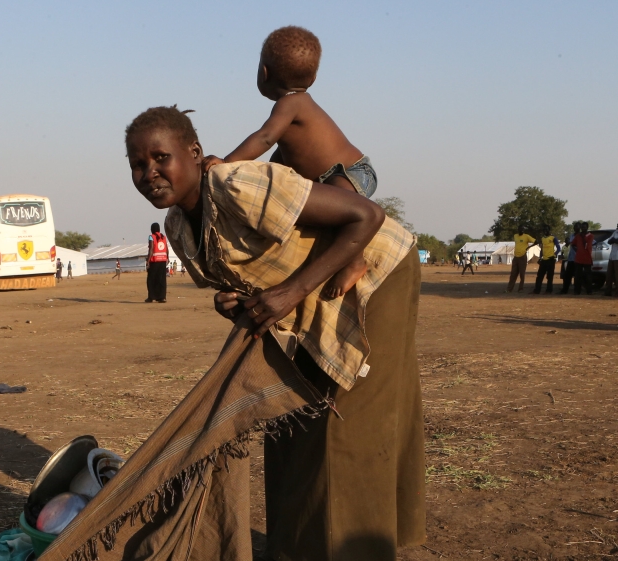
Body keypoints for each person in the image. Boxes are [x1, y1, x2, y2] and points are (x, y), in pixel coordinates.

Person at [109, 106, 424, 559]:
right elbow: (254, 277)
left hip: (377, 275)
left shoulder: (238, 185)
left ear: (195, 153)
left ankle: (355, 549)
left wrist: (290, 292)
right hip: (313, 295)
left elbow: (366, 215)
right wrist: (234, 302)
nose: (149, 173)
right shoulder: (179, 228)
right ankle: (297, 547)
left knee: (345, 429)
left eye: (161, 158)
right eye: (138, 165)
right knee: (292, 428)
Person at [201, 26, 375, 300]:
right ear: (314, 77)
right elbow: (278, 161)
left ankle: (355, 262)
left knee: (344, 208)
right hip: (330, 175)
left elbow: (266, 137)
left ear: (264, 72)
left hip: (350, 172)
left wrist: (227, 162)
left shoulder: (292, 104)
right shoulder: (296, 107)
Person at [506, 227, 536, 292]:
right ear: (518, 230)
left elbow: (536, 241)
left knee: (522, 274)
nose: (521, 231)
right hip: (516, 257)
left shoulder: (526, 236)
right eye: (520, 230)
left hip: (523, 257)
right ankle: (509, 289)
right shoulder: (515, 236)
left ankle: (520, 288)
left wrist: (528, 247)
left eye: (523, 231)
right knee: (513, 274)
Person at [145, 222, 169, 303]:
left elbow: (151, 249)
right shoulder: (164, 237)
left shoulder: (151, 237)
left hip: (154, 261)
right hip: (162, 260)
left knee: (151, 280)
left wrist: (148, 261)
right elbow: (166, 249)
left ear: (152, 229)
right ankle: (162, 297)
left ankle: (151, 297)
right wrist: (167, 258)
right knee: (161, 279)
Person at [532, 229, 561, 294]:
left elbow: (558, 248)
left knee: (550, 276)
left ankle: (549, 290)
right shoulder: (543, 238)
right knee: (539, 276)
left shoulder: (553, 238)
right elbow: (541, 249)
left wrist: (555, 254)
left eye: (546, 231)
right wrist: (540, 258)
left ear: (549, 231)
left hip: (551, 259)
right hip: (544, 260)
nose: (545, 232)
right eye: (544, 231)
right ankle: (537, 290)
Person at [571, 221, 594, 295]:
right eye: (582, 227)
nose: (583, 229)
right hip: (578, 258)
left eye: (584, 227)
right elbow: (573, 244)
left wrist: (582, 236)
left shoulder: (590, 236)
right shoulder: (578, 236)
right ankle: (577, 291)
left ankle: (589, 291)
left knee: (588, 276)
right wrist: (576, 250)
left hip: (587, 258)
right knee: (577, 276)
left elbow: (588, 243)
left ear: (587, 228)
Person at [559, 229, 579, 294]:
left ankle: (576, 290)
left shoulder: (581, 237)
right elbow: (562, 253)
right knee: (567, 275)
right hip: (569, 260)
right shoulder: (565, 246)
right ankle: (565, 289)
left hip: (577, 260)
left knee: (577, 276)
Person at [603, 224, 618, 297]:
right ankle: (608, 291)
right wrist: (615, 240)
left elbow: (613, 240)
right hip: (612, 256)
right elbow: (609, 241)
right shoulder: (615, 232)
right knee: (609, 275)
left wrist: (614, 240)